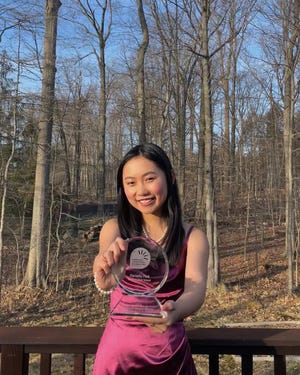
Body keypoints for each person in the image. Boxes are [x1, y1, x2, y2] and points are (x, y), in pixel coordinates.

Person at [92, 143, 209, 375]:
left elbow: (196, 291)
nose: (141, 191)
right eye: (131, 182)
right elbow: (105, 276)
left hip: (167, 351)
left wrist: (174, 311)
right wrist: (104, 276)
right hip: (117, 355)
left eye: (150, 178)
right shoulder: (114, 229)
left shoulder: (192, 238)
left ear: (171, 177)